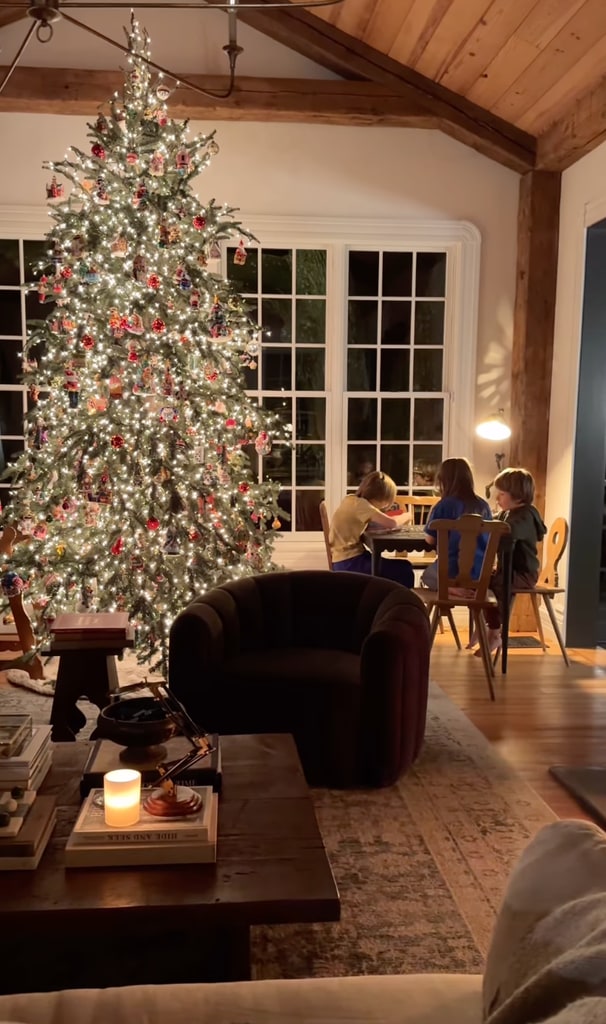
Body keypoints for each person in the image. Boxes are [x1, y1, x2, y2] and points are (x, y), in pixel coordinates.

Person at [477, 466, 546, 655]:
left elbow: (509, 532)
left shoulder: (525, 515)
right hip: (508, 570)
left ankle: (494, 631)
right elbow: (495, 522)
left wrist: (493, 528)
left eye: (502, 494)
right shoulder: (509, 513)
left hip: (524, 574)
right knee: (482, 579)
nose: (498, 498)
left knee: (497, 583)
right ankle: (485, 624)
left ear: (517, 495)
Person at [329, 470, 414, 587]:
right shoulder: (363, 506)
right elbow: (392, 523)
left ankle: (388, 600)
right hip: (351, 563)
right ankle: (403, 604)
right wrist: (408, 515)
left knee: (399, 567)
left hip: (343, 560)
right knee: (404, 569)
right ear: (383, 498)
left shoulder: (351, 499)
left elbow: (370, 524)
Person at [421, 457, 492, 591]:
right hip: (479, 574)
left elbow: (430, 540)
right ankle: (461, 591)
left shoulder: (443, 505)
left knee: (426, 576)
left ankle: (451, 589)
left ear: (443, 481)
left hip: (449, 571)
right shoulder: (484, 506)